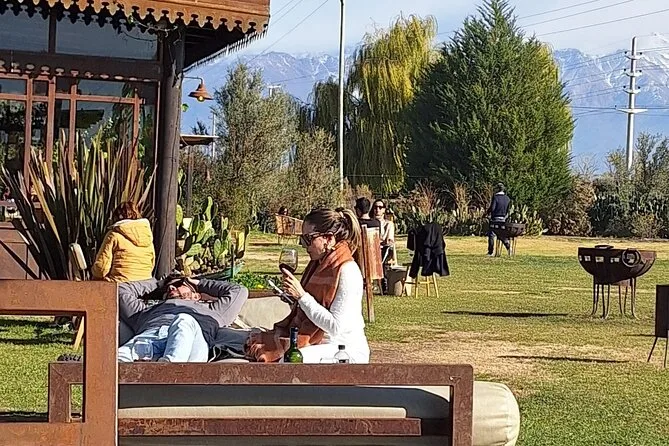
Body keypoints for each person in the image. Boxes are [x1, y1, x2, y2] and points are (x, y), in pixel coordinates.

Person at [245, 207, 370, 364]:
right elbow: (312, 307)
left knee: (289, 360)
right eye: (302, 239)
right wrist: (293, 298)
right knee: (252, 339)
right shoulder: (319, 265)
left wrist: (302, 296)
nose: (304, 245)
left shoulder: (347, 270)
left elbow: (335, 327)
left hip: (342, 350)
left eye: (308, 239)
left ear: (328, 239)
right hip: (319, 344)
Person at [117, 276, 248, 362]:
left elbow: (239, 290)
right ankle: (163, 371)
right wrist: (160, 283)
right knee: (116, 360)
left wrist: (199, 282)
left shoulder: (214, 311)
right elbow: (121, 290)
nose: (171, 288)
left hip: (190, 345)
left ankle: (166, 372)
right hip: (149, 339)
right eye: (168, 289)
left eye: (178, 284)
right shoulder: (145, 311)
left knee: (183, 321)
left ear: (196, 296)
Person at [92, 201, 155, 282]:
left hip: (121, 284)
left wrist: (94, 272)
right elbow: (151, 264)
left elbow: (102, 268)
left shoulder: (113, 235)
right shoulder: (147, 236)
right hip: (145, 284)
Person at [487, 182, 511, 256]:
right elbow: (508, 210)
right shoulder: (507, 198)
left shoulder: (496, 197)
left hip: (495, 218)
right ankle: (508, 246)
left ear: (497, 189)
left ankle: (491, 252)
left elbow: (492, 208)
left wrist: (487, 213)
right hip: (503, 219)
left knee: (491, 235)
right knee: (501, 234)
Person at [372, 199, 395, 263]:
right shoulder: (369, 223)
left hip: (383, 251)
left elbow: (389, 241)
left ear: (384, 209)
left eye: (380, 207)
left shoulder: (388, 224)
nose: (377, 209)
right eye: (375, 207)